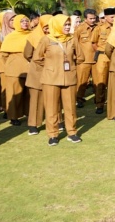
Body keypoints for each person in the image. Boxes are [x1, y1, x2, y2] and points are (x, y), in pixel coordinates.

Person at [34, 15, 82, 146]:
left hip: (69, 78)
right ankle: (53, 134)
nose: (67, 27)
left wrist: (70, 65)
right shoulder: (46, 39)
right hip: (51, 78)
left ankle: (72, 132)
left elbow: (80, 57)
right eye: (65, 25)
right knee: (51, 108)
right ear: (56, 25)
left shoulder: (72, 39)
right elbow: (37, 58)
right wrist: (51, 66)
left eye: (68, 25)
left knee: (70, 107)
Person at [0, 14, 32, 126]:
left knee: (29, 94)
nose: (25, 23)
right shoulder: (10, 37)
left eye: (26, 20)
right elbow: (3, 55)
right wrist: (10, 65)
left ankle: (29, 114)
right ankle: (13, 116)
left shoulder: (32, 35)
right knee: (14, 94)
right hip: (14, 70)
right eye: (22, 21)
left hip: (30, 69)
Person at [24, 14, 52, 135]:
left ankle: (58, 121)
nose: (48, 30)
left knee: (54, 97)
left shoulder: (58, 36)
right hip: (37, 71)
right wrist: (39, 62)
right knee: (35, 98)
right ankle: (33, 125)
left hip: (53, 71)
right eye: (45, 27)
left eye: (50, 26)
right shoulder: (33, 36)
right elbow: (27, 54)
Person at [74, 9, 99, 112]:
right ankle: (79, 99)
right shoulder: (79, 29)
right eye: (90, 18)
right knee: (82, 82)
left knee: (98, 82)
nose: (93, 20)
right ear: (85, 18)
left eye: (94, 18)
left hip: (96, 59)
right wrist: (77, 57)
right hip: (84, 60)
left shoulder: (98, 28)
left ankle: (98, 100)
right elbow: (74, 43)